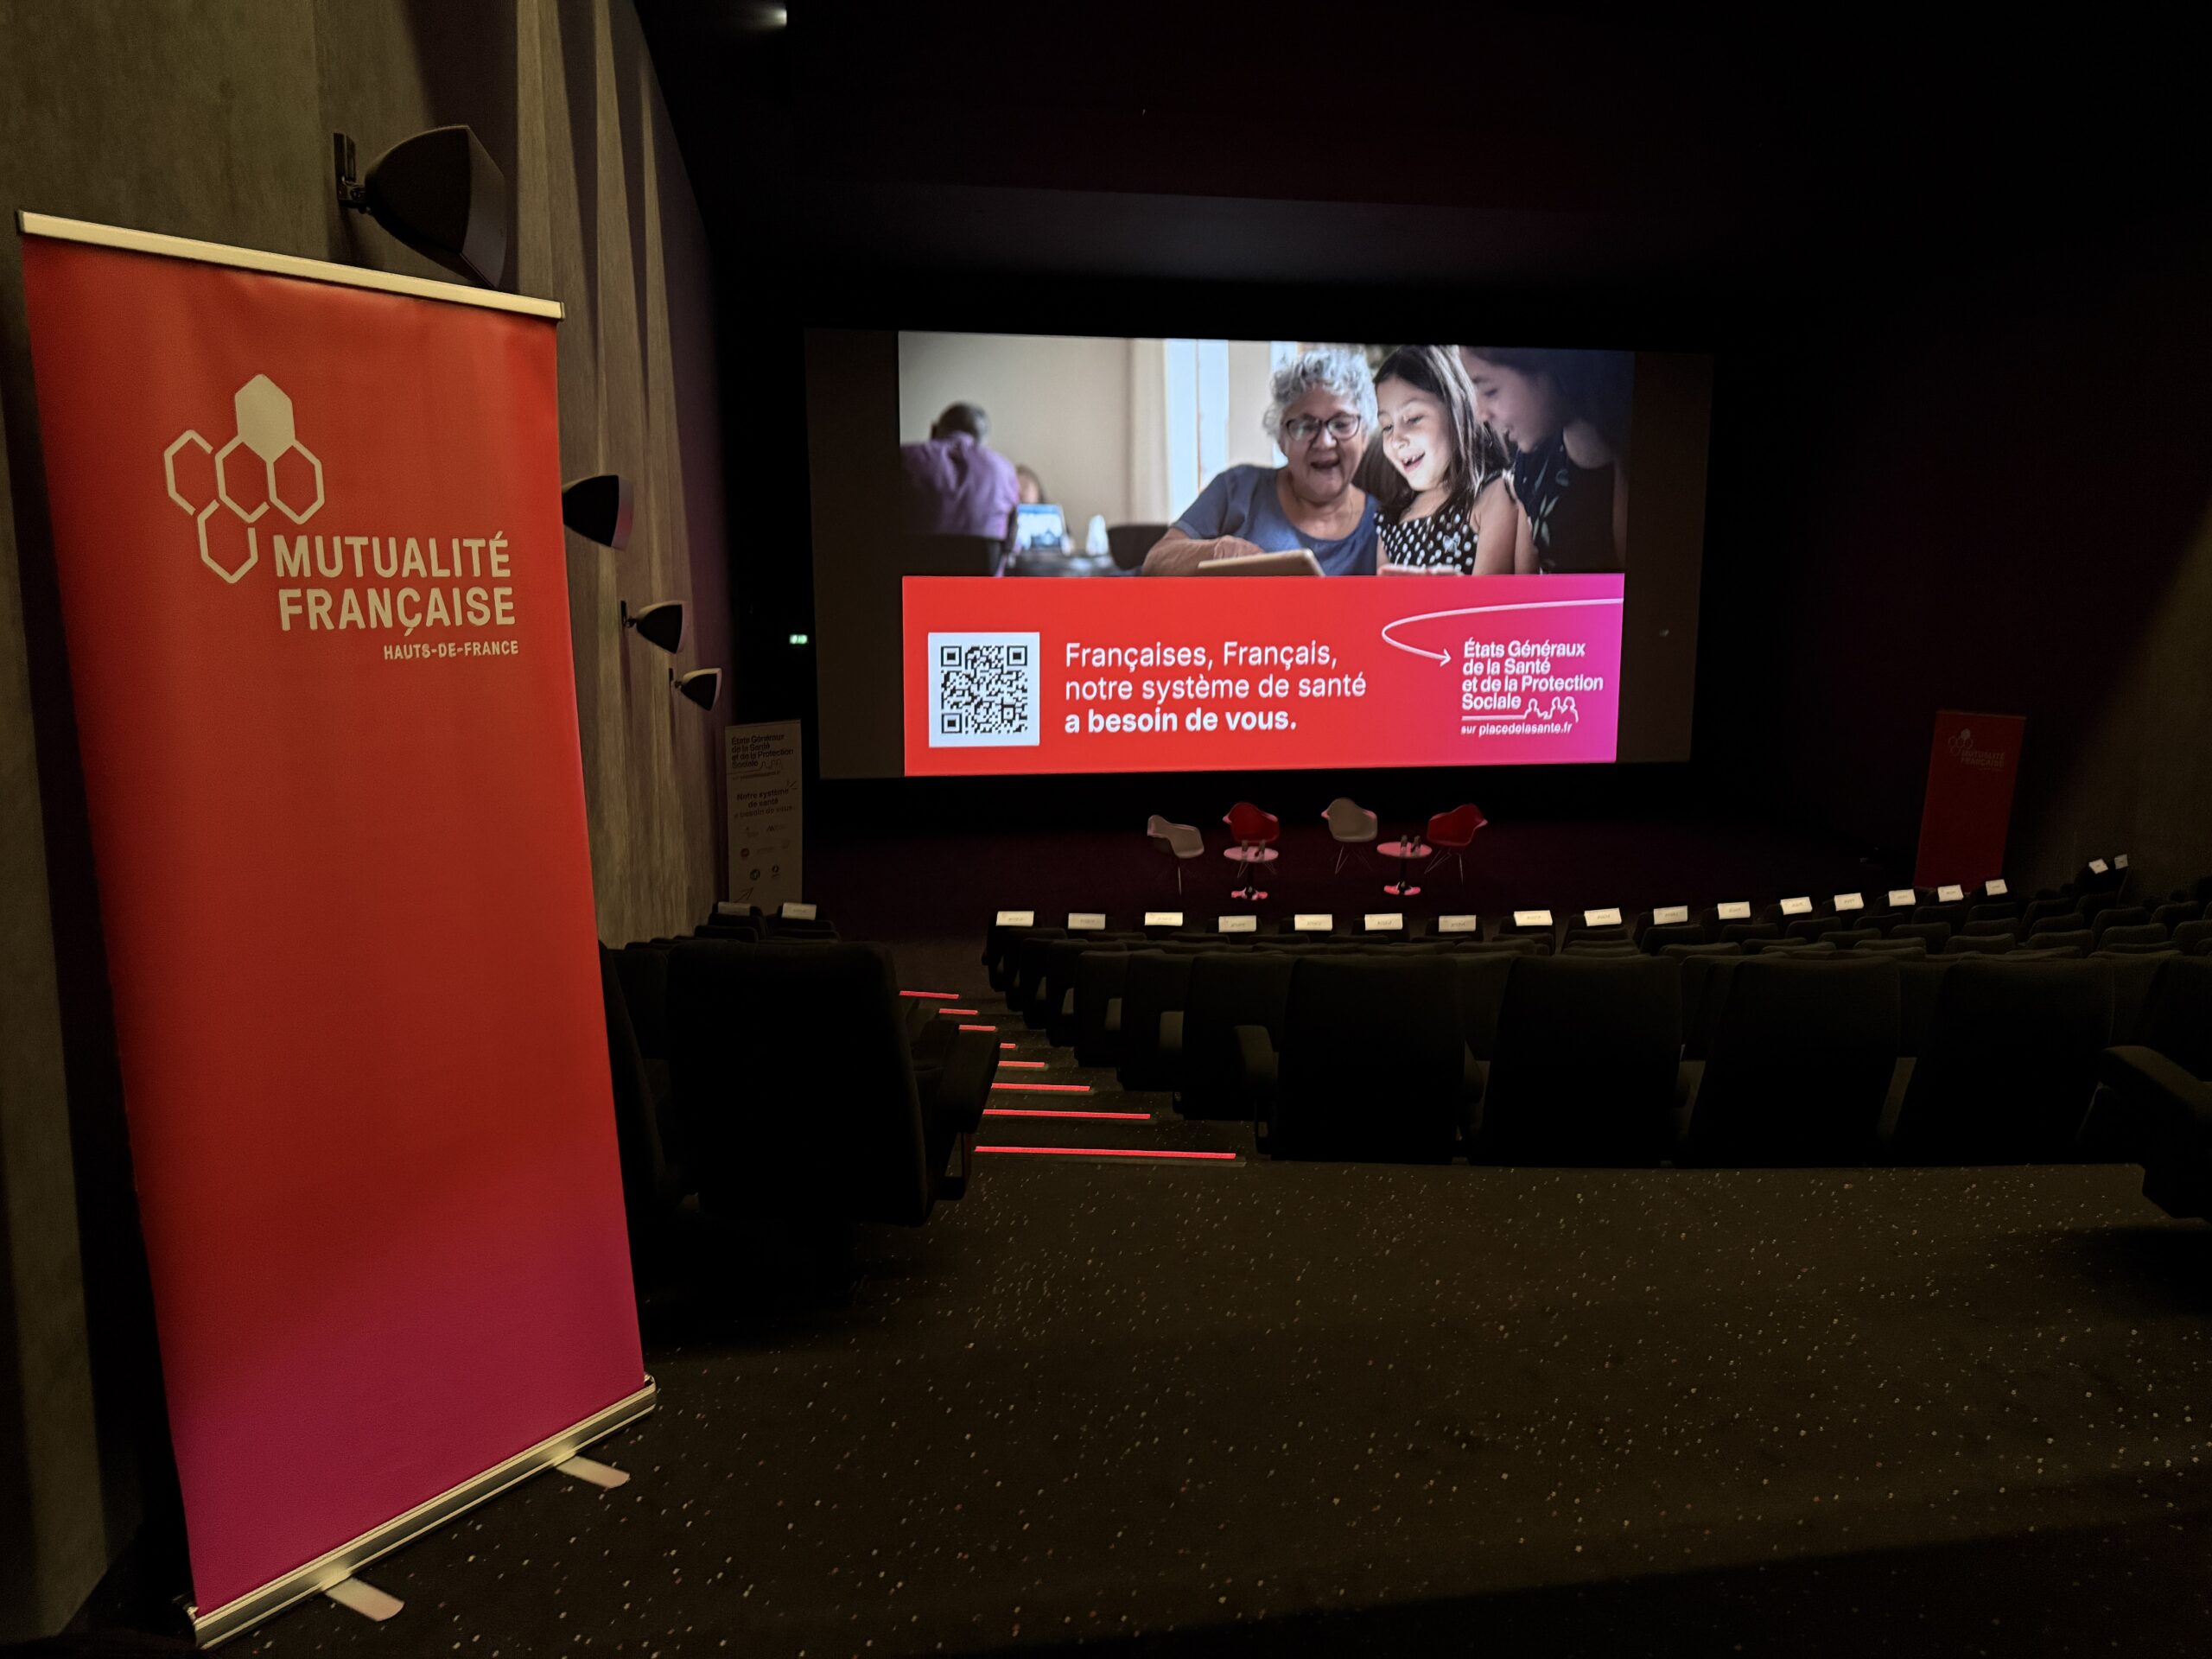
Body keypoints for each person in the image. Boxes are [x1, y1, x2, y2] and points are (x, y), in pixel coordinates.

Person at [1142, 346, 1380, 576]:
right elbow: (1156, 560)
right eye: (1305, 426)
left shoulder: (1383, 525)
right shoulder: (1238, 488)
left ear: (1365, 436)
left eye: (1341, 424)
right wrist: (1221, 551)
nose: (1324, 442)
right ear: (1281, 440)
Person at [1455, 348, 1632, 572]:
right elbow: (1528, 583)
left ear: (1554, 364)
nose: (1480, 414)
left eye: (1490, 391)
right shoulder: (1530, 466)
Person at [1370, 345, 1516, 575]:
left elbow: (1489, 594)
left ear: (1458, 411)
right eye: (1387, 426)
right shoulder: (1391, 520)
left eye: (1414, 418)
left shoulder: (1495, 495)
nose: (1396, 440)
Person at [899, 401, 1020, 542]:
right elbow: (1011, 538)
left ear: (934, 430)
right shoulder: (1003, 469)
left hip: (912, 555)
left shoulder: (905, 457)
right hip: (982, 556)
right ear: (983, 441)